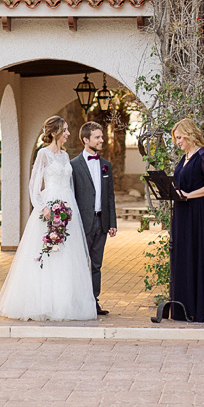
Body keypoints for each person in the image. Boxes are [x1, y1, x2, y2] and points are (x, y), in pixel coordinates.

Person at [0, 116, 96, 322]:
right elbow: (33, 185)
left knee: (67, 255)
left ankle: (64, 303)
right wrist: (43, 208)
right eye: (65, 130)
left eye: (68, 129)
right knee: (47, 253)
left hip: (67, 206)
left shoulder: (66, 157)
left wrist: (70, 209)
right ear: (54, 133)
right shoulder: (43, 154)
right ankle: (43, 303)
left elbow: (69, 185)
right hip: (49, 206)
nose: (68, 133)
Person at [169, 118, 204, 323]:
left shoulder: (203, 156)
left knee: (196, 255)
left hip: (198, 214)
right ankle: (183, 308)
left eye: (180, 138)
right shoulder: (185, 158)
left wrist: (189, 195)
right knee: (183, 256)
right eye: (176, 139)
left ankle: (199, 309)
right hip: (182, 214)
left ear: (190, 135)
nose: (178, 142)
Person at [70, 122, 117, 317]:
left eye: (101, 137)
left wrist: (112, 222)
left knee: (96, 264)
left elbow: (110, 196)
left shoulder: (106, 165)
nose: (101, 140)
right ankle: (78, 302)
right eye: (97, 137)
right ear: (85, 140)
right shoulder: (73, 166)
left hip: (102, 222)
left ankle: (94, 302)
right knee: (80, 264)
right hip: (82, 223)